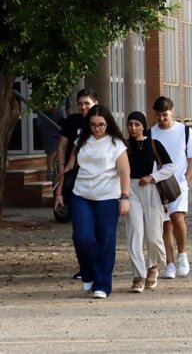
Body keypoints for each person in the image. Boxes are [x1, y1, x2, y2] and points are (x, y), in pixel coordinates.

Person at [54, 105, 130, 299]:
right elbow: (70, 167)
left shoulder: (116, 144)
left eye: (101, 125)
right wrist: (60, 192)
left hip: (108, 197)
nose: (97, 128)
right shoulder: (82, 141)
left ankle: (102, 284)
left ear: (108, 123)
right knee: (82, 237)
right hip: (82, 194)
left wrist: (125, 197)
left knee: (105, 240)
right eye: (94, 125)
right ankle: (87, 272)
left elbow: (124, 172)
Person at [150, 96, 192, 279]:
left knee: (177, 218)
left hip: (178, 183)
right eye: (158, 115)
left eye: (165, 115)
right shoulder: (151, 133)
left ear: (172, 112)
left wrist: (186, 180)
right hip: (159, 184)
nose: (161, 119)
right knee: (165, 224)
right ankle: (169, 264)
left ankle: (182, 256)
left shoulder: (184, 131)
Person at [125, 111, 175, 293]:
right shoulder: (123, 145)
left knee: (153, 235)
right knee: (135, 234)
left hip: (151, 189)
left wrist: (152, 177)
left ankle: (152, 267)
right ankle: (138, 275)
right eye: (130, 124)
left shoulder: (153, 144)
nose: (133, 128)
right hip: (130, 189)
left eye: (137, 124)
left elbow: (170, 166)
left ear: (143, 126)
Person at [56, 89, 98, 274]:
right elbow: (62, 146)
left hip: (99, 180)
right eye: (80, 103)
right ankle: (85, 267)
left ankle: (97, 265)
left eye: (87, 103)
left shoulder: (101, 120)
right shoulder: (73, 121)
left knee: (97, 228)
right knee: (80, 230)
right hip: (75, 179)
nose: (83, 107)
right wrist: (61, 170)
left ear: (95, 103)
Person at [37, 101, 67, 182]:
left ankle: (60, 170)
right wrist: (52, 107)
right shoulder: (46, 91)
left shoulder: (64, 91)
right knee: (51, 148)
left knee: (63, 146)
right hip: (48, 122)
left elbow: (67, 107)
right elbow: (40, 106)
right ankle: (50, 174)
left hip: (61, 122)